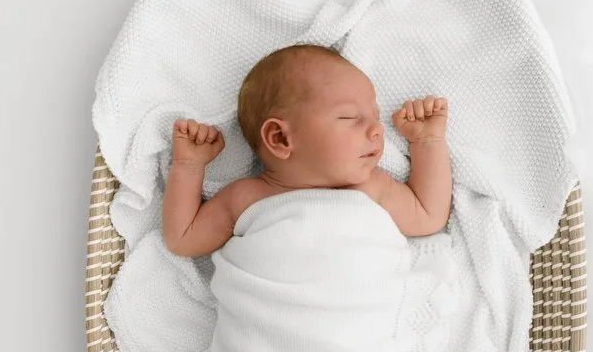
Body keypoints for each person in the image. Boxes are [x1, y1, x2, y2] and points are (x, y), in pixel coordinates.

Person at [161, 43, 450, 256]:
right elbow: (182, 240)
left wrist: (427, 142)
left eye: (375, 117)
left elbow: (429, 216)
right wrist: (188, 166)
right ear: (280, 138)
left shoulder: (372, 188)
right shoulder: (246, 198)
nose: (377, 129)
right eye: (349, 117)